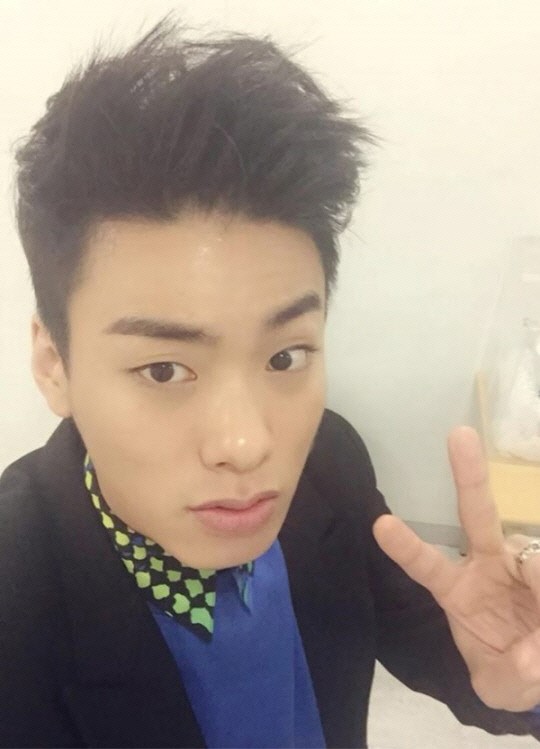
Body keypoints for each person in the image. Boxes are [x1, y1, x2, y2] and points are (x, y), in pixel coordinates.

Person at [1, 16, 539, 748]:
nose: (248, 443)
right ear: (52, 362)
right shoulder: (18, 608)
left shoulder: (329, 463)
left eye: (285, 357)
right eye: (164, 369)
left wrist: (518, 672)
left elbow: (448, 644)